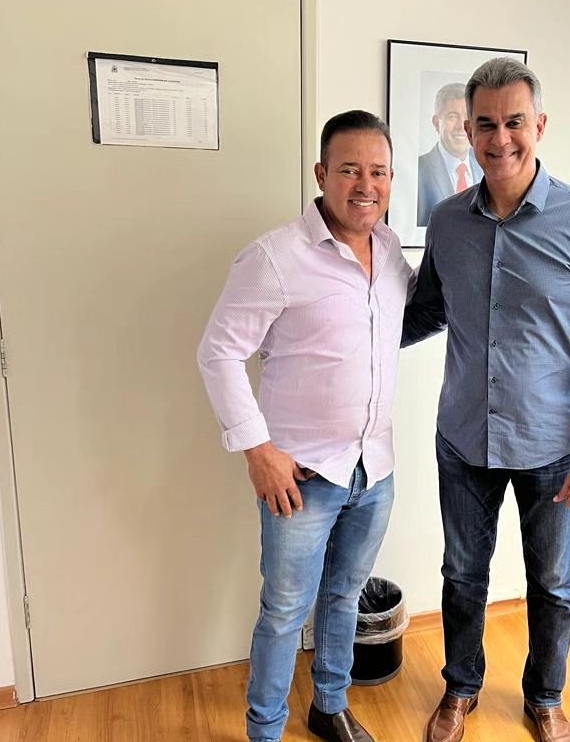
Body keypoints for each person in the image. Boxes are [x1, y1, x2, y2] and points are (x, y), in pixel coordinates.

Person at [403, 58, 570, 742]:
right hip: (464, 439)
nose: (499, 138)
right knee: (461, 577)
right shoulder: (448, 222)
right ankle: (461, 688)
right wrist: (349, 330)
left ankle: (546, 696)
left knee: (553, 585)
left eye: (514, 122)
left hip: (555, 446)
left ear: (540, 125)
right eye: (485, 124)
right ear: (467, 130)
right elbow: (427, 312)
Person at [197, 110, 412, 742]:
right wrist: (256, 449)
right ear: (321, 175)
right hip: (302, 477)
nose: (365, 185)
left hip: (374, 469)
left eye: (379, 172)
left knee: (345, 597)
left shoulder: (391, 251)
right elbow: (219, 352)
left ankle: (329, 706)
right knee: (285, 611)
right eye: (349, 170)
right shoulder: (275, 257)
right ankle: (265, 730)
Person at [416, 82, 484, 227]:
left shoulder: (486, 167)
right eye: (452, 116)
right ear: (436, 123)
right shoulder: (419, 169)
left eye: (467, 116)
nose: (461, 126)